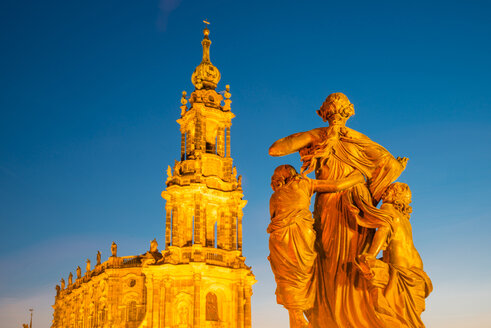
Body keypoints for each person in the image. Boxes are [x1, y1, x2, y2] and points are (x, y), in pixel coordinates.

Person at [269, 93, 407, 327]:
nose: (335, 116)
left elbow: (391, 166)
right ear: (323, 114)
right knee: (328, 261)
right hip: (329, 205)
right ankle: (331, 317)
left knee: (352, 262)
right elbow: (276, 149)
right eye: (332, 112)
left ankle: (358, 318)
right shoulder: (321, 137)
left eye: (338, 111)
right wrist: (317, 136)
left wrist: (342, 136)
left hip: (355, 207)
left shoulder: (356, 140)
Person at [268, 164, 365, 328]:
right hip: (298, 234)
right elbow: (334, 186)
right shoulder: (304, 184)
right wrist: (357, 177)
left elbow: (274, 218)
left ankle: (297, 317)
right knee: (301, 274)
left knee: (289, 277)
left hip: (279, 239)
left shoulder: (275, 196)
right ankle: (299, 317)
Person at [356, 183, 433, 328]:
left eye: (388, 191)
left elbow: (384, 230)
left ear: (393, 195)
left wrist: (371, 255)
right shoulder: (404, 218)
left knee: (396, 317)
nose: (384, 193)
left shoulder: (387, 208)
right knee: (410, 319)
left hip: (401, 269)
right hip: (417, 271)